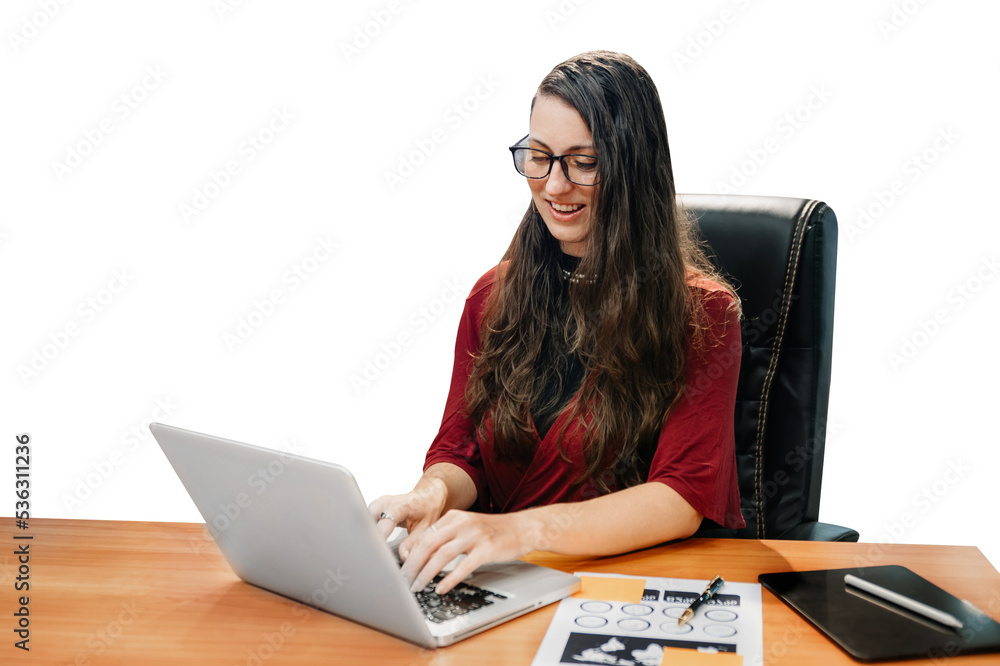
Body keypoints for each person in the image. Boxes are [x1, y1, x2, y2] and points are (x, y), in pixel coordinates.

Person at [370, 50, 744, 596]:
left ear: (634, 167)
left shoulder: (703, 314)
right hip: (497, 583)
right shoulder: (492, 296)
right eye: (538, 156)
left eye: (583, 162)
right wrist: (431, 496)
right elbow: (460, 453)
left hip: (618, 590)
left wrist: (515, 531)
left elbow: (680, 498)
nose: (553, 185)